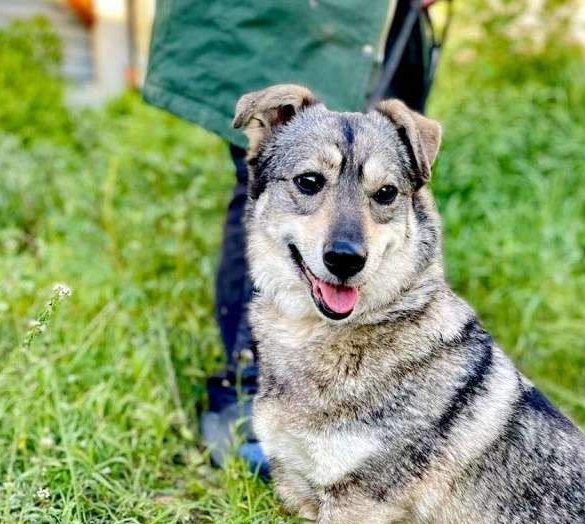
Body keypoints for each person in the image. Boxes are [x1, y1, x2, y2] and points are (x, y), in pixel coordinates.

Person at [143, 0, 446, 475]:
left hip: (376, 21)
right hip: (280, 19)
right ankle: (245, 387)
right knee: (267, 182)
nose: (347, 244)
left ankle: (365, 391)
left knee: (370, 161)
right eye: (309, 185)